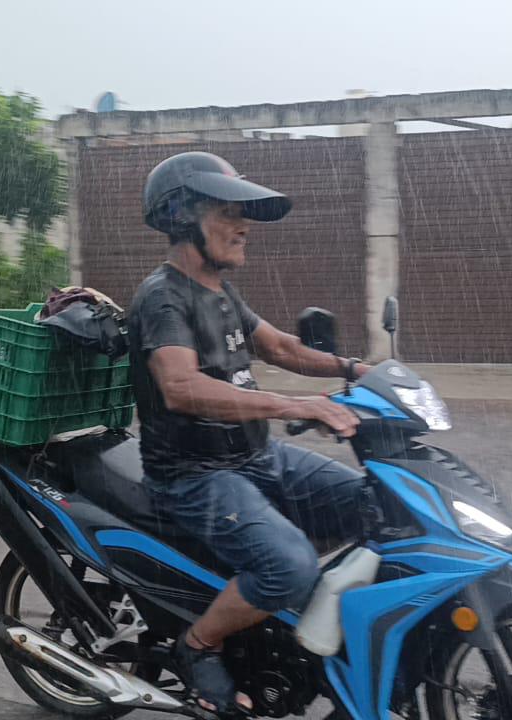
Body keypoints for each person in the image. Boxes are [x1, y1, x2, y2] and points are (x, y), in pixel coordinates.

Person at [127, 151, 370, 716]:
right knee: (289, 566)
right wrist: (292, 404)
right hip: (192, 473)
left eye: (243, 214)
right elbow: (181, 387)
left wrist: (357, 370)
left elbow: (280, 347)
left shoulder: (218, 289)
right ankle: (199, 644)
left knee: (372, 503)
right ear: (182, 216)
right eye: (228, 212)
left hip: (256, 457)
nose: (244, 226)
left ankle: (268, 600)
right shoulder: (163, 297)